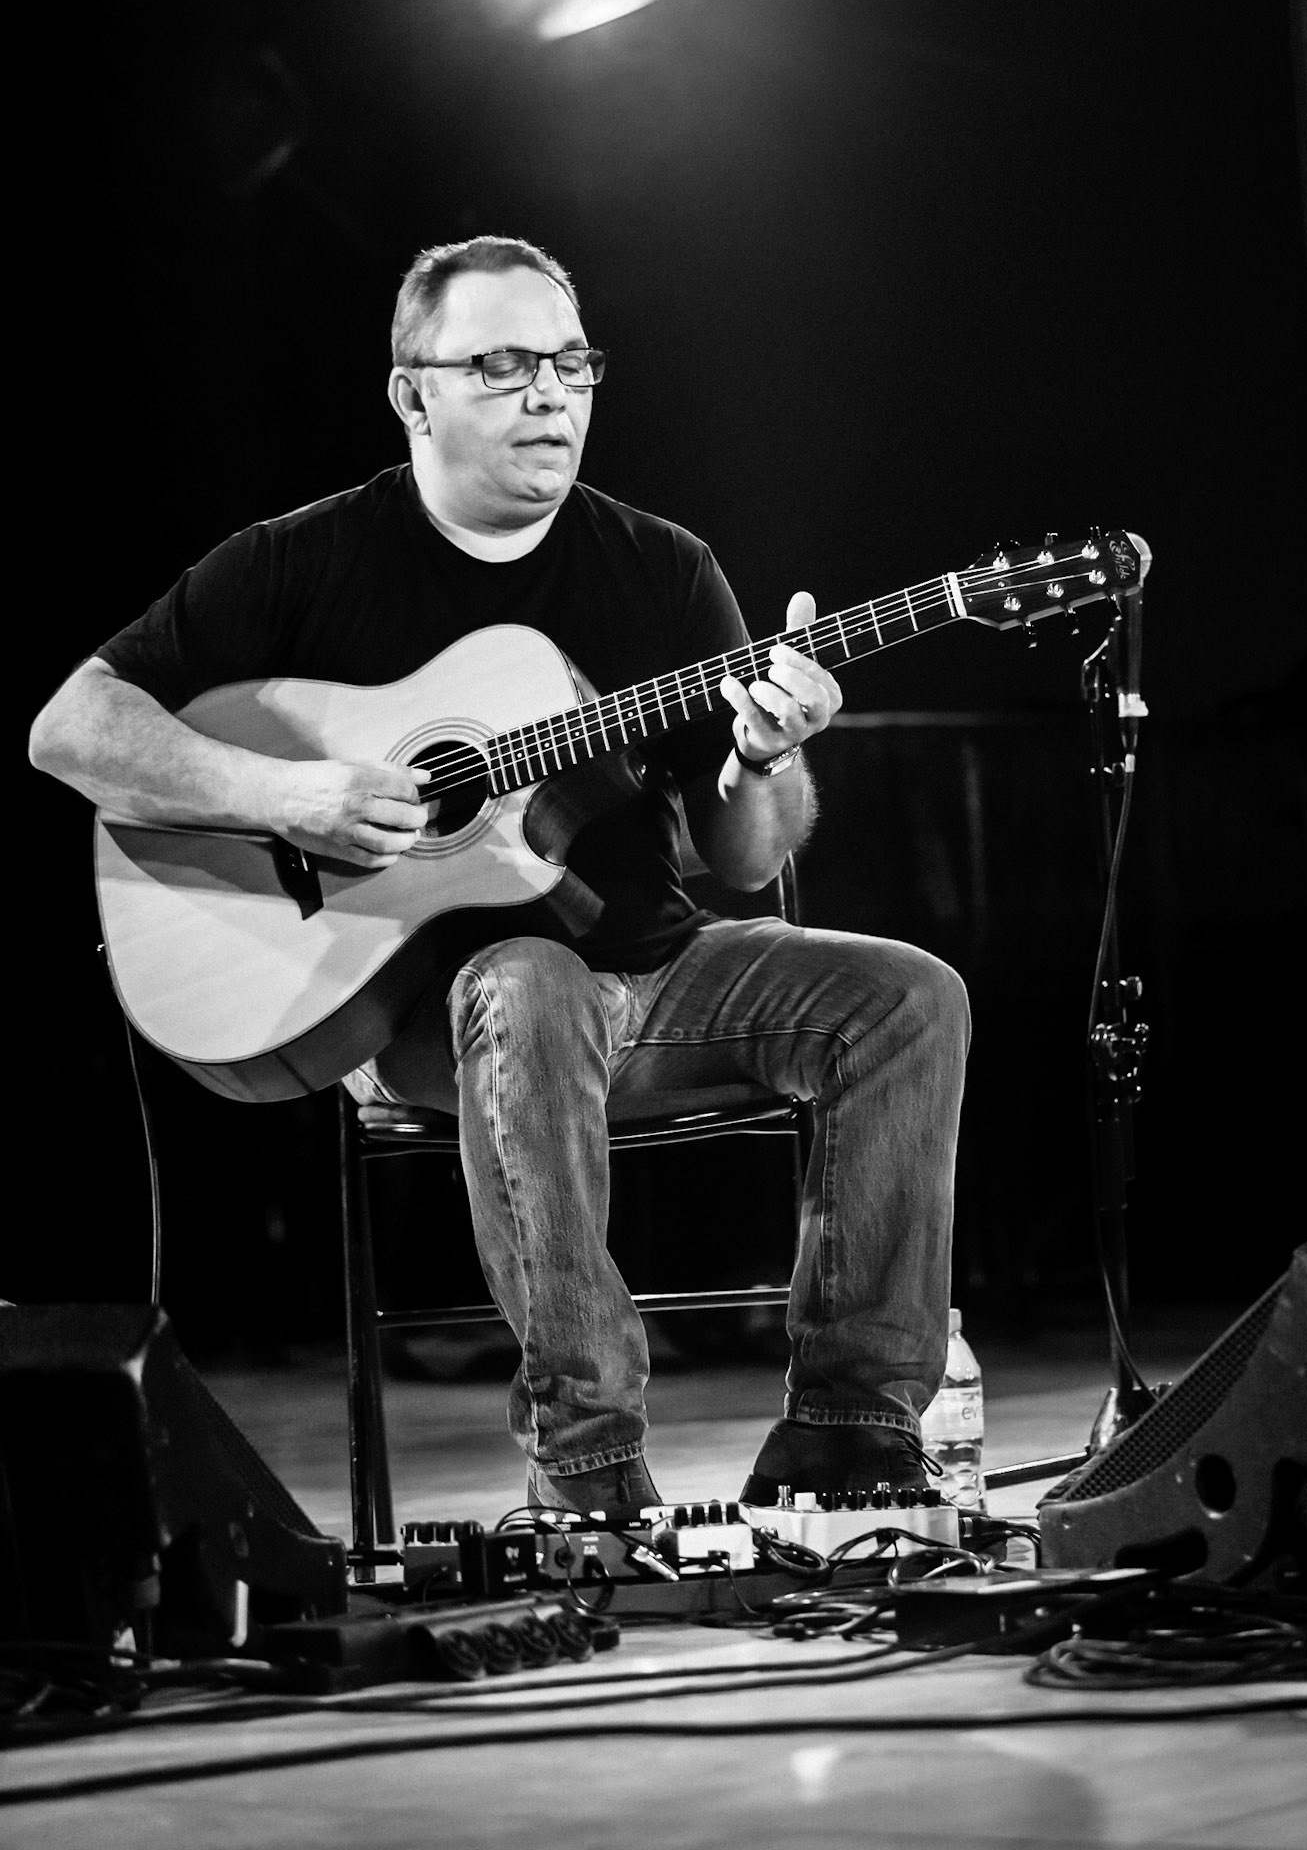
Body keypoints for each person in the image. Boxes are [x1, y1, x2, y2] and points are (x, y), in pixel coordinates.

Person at [29, 235, 969, 1514]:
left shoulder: (664, 565)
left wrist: (762, 756)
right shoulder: (300, 561)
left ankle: (850, 1428)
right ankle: (589, 1474)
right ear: (414, 393)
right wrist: (280, 791)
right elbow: (71, 727)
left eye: (572, 362)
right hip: (425, 1011)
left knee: (910, 994)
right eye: (506, 364)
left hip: (660, 974)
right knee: (526, 977)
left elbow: (747, 864)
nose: (551, 394)